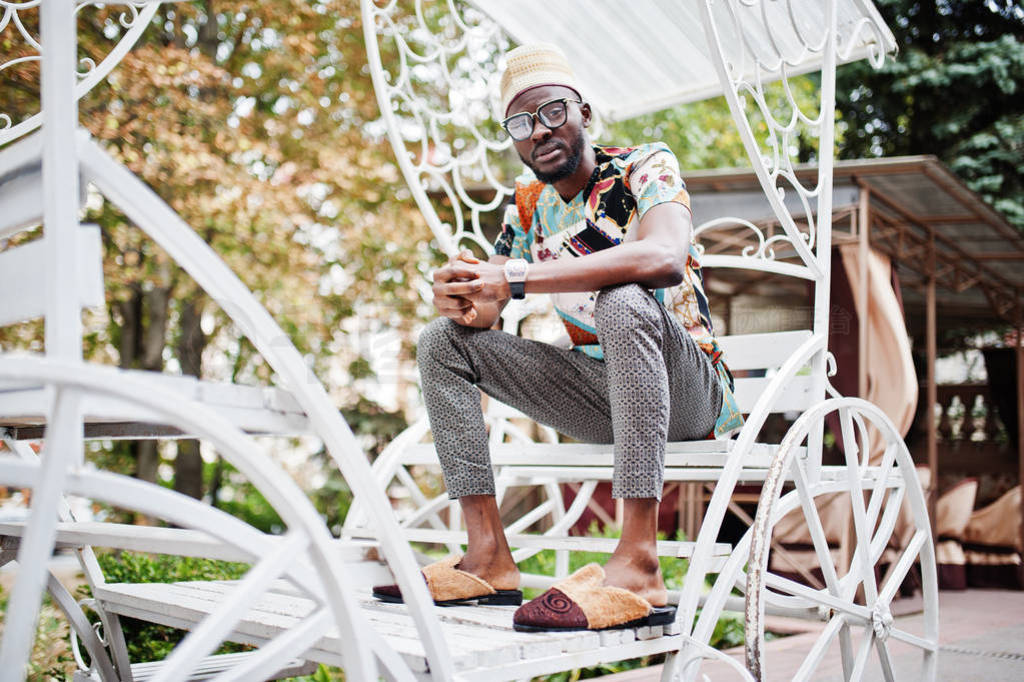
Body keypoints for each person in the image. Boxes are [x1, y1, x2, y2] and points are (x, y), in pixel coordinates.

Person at [374, 43, 743, 632]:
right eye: (521, 124)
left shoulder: (645, 165)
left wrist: (515, 278)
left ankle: (639, 561)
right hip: (603, 397)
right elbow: (486, 316)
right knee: (441, 341)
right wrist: (464, 295)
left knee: (624, 295)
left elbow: (665, 257)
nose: (539, 132)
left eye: (552, 112)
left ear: (584, 113)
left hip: (690, 394)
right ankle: (487, 557)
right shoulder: (526, 209)